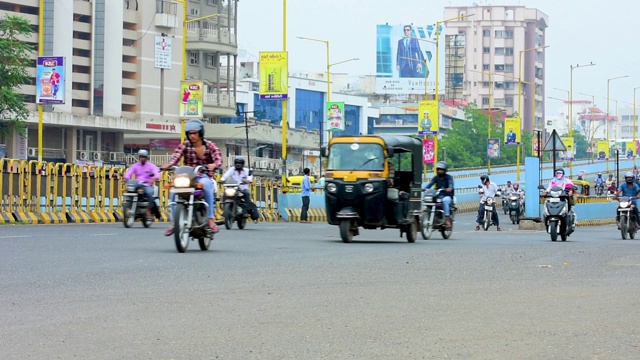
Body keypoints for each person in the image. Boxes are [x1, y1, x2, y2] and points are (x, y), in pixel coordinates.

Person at [162, 119, 222, 236]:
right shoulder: (185, 145)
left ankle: (210, 219)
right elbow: (175, 157)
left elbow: (218, 159)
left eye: (195, 133)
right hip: (187, 176)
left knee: (206, 185)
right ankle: (174, 222)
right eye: (190, 133)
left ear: (201, 133)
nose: (192, 136)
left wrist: (214, 165)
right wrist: (168, 165)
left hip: (202, 176)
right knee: (173, 191)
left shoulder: (210, 145)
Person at [122, 149, 161, 219]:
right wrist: (125, 178)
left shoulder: (151, 166)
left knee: (149, 193)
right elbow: (129, 173)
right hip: (137, 185)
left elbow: (157, 172)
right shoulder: (135, 165)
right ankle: (131, 206)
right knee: (129, 192)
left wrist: (153, 179)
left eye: (144, 157)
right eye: (141, 157)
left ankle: (148, 211)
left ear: (146, 158)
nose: (142, 158)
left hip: (147, 185)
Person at [220, 156, 258, 223]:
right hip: (233, 188)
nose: (238, 164)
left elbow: (250, 177)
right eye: (237, 163)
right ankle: (225, 209)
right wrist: (222, 180)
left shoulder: (247, 170)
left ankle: (246, 209)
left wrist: (248, 180)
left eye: (240, 163)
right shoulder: (232, 169)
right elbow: (226, 175)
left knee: (246, 193)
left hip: (243, 189)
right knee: (224, 194)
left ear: (242, 164)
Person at [422, 161, 454, 228]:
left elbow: (451, 185)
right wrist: (425, 189)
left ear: (445, 170)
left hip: (447, 196)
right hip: (438, 196)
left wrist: (449, 188)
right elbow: (430, 184)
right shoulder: (436, 178)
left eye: (441, 169)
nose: (440, 171)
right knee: (429, 201)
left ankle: (447, 219)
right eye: (438, 169)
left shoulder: (449, 177)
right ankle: (431, 216)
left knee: (445, 201)